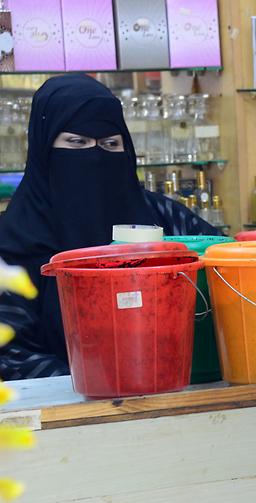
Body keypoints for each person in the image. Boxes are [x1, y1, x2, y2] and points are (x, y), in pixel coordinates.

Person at [0, 74, 219, 381]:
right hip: (63, 412)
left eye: (110, 144)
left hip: (170, 387)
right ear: (43, 148)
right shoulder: (13, 240)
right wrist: (94, 380)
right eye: (77, 142)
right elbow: (9, 353)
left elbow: (226, 268)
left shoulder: (163, 216)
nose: (95, 155)